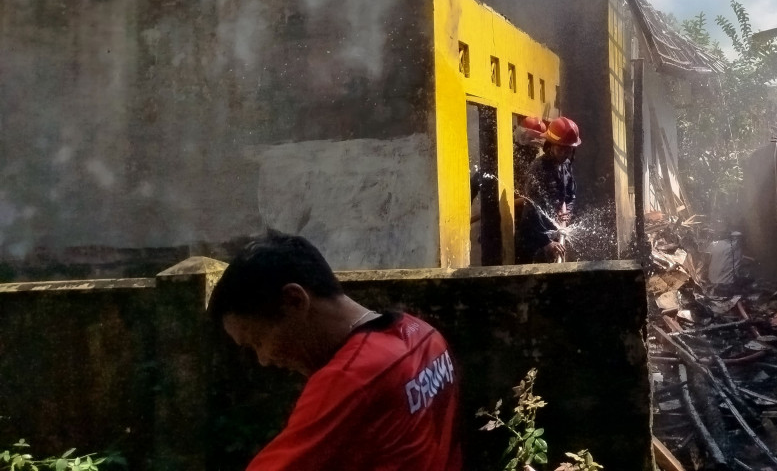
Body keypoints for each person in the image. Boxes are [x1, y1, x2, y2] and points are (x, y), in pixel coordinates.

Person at [208, 234, 463, 471]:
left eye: (257, 341)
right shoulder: (425, 335)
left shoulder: (350, 378)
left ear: (295, 300)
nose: (263, 360)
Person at [515, 116, 580, 263]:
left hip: (555, 233)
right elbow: (532, 210)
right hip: (534, 238)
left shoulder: (566, 165)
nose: (565, 154)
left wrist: (567, 212)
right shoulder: (538, 169)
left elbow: (570, 194)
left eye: (568, 150)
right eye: (561, 149)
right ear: (550, 146)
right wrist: (546, 243)